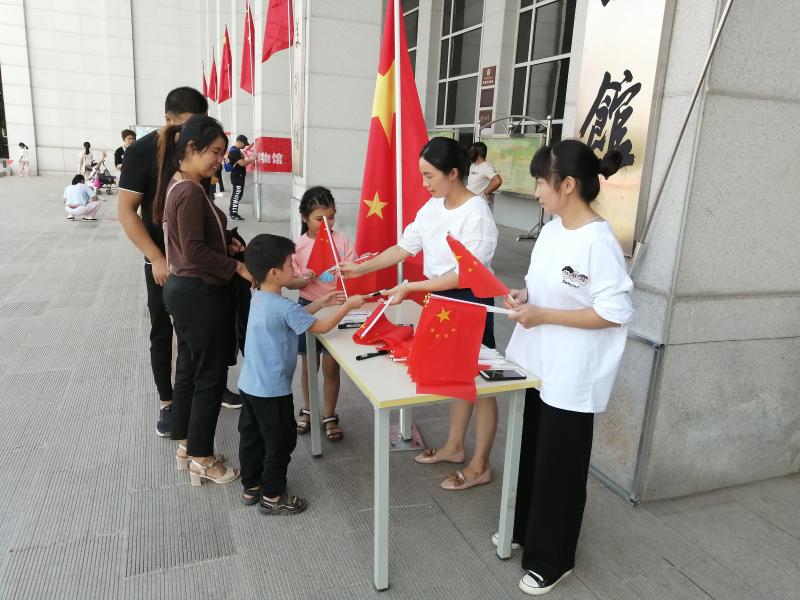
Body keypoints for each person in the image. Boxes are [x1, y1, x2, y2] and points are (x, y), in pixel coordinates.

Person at [502, 139, 633, 595]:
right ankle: (523, 532)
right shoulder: (553, 230)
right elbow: (546, 287)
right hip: (540, 363)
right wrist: (525, 298)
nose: (536, 191)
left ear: (569, 185)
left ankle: (552, 559)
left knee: (560, 466)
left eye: (541, 182)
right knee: (532, 452)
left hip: (574, 374)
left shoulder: (599, 241)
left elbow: (613, 313)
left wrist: (545, 315)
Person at [340, 136, 500, 491]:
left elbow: (465, 274)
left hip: (469, 300)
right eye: (422, 175)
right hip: (439, 298)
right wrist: (361, 268)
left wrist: (413, 287)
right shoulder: (432, 207)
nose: (424, 183)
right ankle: (455, 446)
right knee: (456, 376)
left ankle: (481, 465)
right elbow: (403, 247)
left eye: (429, 176)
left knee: (481, 382)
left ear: (453, 173)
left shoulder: (477, 213)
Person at [119, 87, 239, 439]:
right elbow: (126, 211)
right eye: (187, 126)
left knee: (198, 340)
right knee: (164, 331)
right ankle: (169, 402)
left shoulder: (197, 154)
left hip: (196, 263)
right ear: (169, 120)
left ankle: (209, 389)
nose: (193, 134)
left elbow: (205, 213)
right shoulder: (143, 152)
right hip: (164, 259)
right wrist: (156, 257)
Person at [156, 115, 256, 487]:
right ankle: (202, 457)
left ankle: (186, 445)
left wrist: (225, 243)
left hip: (186, 291)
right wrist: (237, 266)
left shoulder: (180, 185)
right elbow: (195, 252)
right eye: (215, 152)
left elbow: (194, 243)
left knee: (189, 371)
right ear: (191, 148)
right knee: (209, 377)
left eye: (222, 152)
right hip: (199, 294)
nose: (220, 160)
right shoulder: (188, 192)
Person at [237, 233, 364, 512]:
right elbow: (320, 327)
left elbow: (295, 314)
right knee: (281, 441)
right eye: (289, 266)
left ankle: (251, 486)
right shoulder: (283, 307)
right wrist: (347, 306)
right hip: (272, 391)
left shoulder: (259, 297)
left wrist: (322, 302)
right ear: (274, 273)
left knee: (252, 437)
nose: (294, 270)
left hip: (249, 385)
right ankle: (273, 496)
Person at [289, 186, 356, 441]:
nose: (326, 224)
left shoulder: (342, 240)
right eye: (320, 219)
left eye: (331, 217)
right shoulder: (298, 246)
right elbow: (291, 281)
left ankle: (329, 414)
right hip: (309, 306)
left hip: (336, 307)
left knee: (331, 367)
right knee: (309, 366)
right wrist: (304, 278)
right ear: (305, 217)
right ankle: (308, 409)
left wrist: (347, 269)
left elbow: (354, 266)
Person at [226, 134, 255, 221]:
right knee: (236, 195)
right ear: (239, 142)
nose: (244, 146)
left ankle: (233, 213)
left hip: (238, 176)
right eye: (244, 144)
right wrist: (252, 159)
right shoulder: (234, 152)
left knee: (238, 194)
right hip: (237, 176)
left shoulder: (236, 150)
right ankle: (233, 215)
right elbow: (242, 163)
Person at [467, 142, 502, 208]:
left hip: (479, 205)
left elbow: (498, 181)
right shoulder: (472, 166)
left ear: (478, 152)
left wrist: (487, 191)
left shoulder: (487, 166)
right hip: (469, 202)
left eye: (472, 151)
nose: (470, 153)